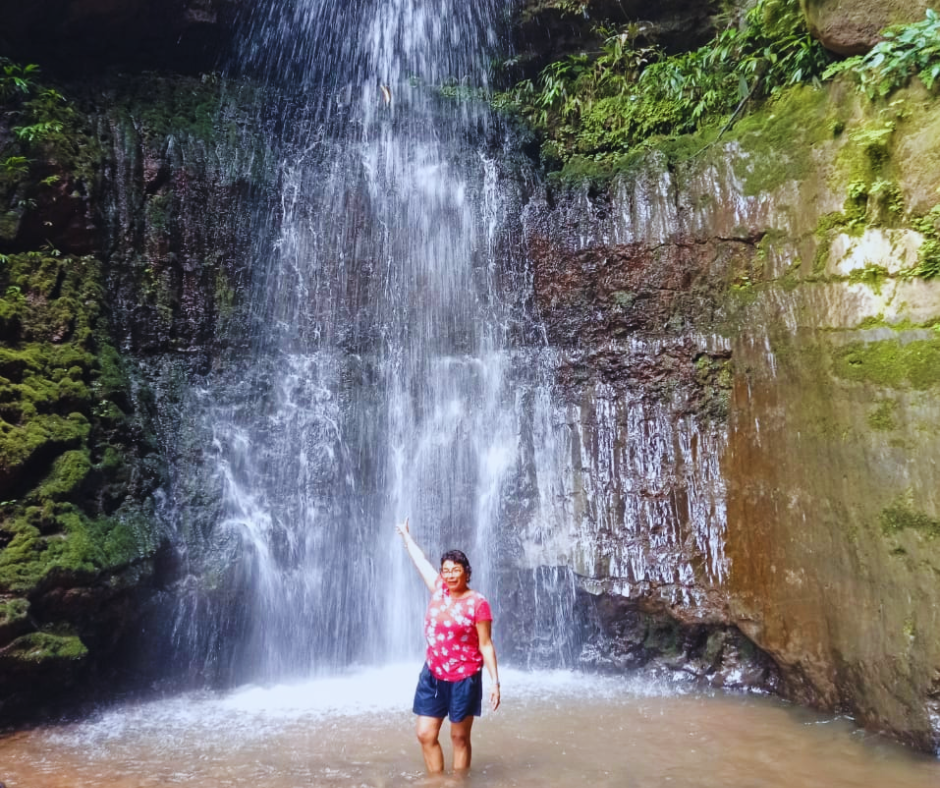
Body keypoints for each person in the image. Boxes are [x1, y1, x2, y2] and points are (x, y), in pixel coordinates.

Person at [396, 517, 500, 773]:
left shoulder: (478, 603)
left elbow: (486, 644)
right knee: (425, 734)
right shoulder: (439, 589)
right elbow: (421, 561)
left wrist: (495, 682)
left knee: (459, 737)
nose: (450, 575)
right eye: (446, 570)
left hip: (464, 678)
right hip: (433, 674)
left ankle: (458, 783)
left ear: (466, 572)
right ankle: (437, 781)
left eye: (456, 570)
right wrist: (406, 536)